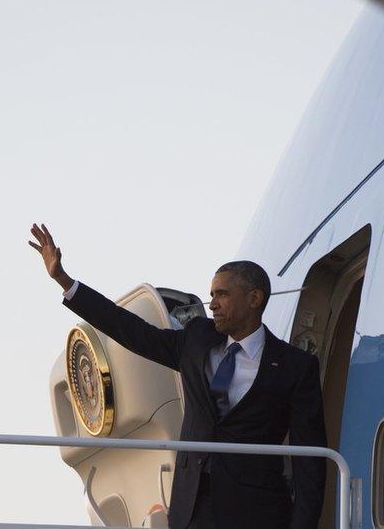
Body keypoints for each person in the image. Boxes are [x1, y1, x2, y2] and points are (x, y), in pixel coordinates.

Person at [29, 223, 327, 529]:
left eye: (222, 294)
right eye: (211, 294)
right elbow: (131, 331)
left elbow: (310, 462)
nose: (212, 304)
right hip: (192, 509)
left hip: (256, 513)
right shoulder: (196, 340)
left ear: (254, 299)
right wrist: (65, 282)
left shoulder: (295, 366)